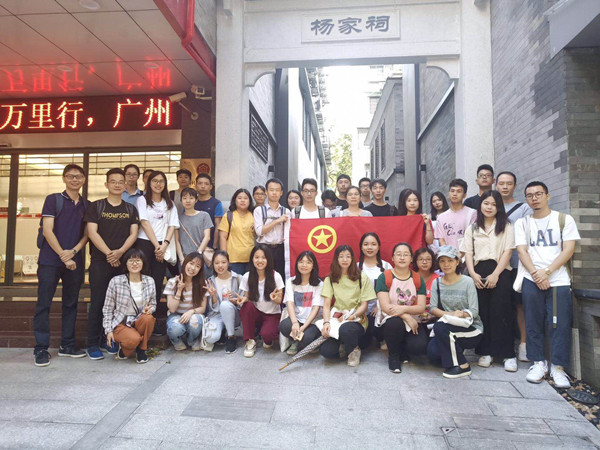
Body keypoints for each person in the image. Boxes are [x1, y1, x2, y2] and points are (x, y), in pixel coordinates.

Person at [515, 181, 580, 389]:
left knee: (559, 324)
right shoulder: (523, 223)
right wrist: (536, 274)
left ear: (547, 196)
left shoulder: (563, 219)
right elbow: (522, 251)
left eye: (538, 194)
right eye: (530, 195)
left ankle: (558, 367)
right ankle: (538, 363)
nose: (534, 198)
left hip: (558, 280)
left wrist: (548, 272)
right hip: (531, 279)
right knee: (533, 322)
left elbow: (568, 249)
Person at [33, 164, 89, 367]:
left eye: (78, 176)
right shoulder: (53, 199)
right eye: (70, 176)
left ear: (84, 179)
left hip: (75, 261)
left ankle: (67, 345)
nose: (75, 180)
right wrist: (64, 256)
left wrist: (73, 252)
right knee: (44, 303)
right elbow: (48, 230)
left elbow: (87, 234)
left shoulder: (87, 204)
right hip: (50, 260)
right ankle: (41, 348)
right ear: (64, 178)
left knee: (70, 303)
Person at [86, 168, 139, 360]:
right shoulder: (96, 206)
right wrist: (109, 253)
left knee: (119, 304)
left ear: (125, 185)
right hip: (100, 262)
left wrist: (120, 252)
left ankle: (108, 340)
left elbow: (134, 234)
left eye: (120, 181)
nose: (117, 185)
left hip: (122, 263)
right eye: (113, 181)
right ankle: (92, 343)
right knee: (98, 302)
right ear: (106, 184)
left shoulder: (130, 209)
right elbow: (92, 232)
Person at [461, 190, 517, 372]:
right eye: (486, 203)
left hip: (501, 271)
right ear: (480, 205)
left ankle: (508, 354)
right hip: (478, 272)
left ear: (499, 207)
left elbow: (508, 251)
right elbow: (468, 252)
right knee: (483, 313)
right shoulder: (473, 228)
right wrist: (472, 273)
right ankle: (485, 352)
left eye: (493, 204)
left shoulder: (506, 226)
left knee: (502, 312)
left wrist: (495, 274)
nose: (489, 207)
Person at [427, 245, 483, 378]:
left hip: (470, 328)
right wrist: (451, 314)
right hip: (447, 327)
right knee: (433, 354)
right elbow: (433, 308)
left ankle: (463, 365)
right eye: (442, 261)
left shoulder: (468, 282)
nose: (446, 264)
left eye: (450, 260)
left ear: (457, 262)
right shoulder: (437, 283)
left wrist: (462, 314)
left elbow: (474, 310)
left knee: (439, 326)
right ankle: (456, 350)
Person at [136, 170, 179, 332]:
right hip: (145, 244)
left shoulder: (170, 203)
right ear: (149, 183)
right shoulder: (142, 200)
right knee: (142, 281)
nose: (158, 184)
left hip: (163, 245)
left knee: (156, 281)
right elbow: (144, 223)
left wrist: (164, 244)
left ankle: (152, 320)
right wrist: (157, 246)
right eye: (155, 181)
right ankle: (139, 319)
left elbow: (172, 225)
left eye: (161, 181)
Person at [496, 171, 533, 362]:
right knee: (501, 306)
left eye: (509, 183)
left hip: (519, 264)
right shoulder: (491, 206)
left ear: (515, 186)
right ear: (496, 185)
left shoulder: (524, 208)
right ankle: (502, 346)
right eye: (501, 183)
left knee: (520, 305)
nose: (505, 187)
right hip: (498, 266)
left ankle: (523, 344)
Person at [320, 245, 376, 367]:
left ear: (352, 259)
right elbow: (326, 305)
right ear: (336, 259)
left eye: (348, 256)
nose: (344, 260)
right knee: (326, 351)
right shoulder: (330, 279)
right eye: (341, 256)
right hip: (337, 319)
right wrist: (326, 323)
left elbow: (364, 305)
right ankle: (344, 346)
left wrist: (352, 316)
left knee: (346, 330)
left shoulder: (362, 277)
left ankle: (354, 351)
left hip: (356, 318)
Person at [375, 243, 427, 373]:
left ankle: (402, 348)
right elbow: (385, 306)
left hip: (413, 320)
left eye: (406, 255)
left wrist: (404, 311)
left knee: (418, 347)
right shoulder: (385, 277)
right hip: (391, 319)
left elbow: (421, 307)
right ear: (393, 258)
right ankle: (393, 356)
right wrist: (405, 316)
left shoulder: (417, 278)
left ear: (411, 258)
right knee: (394, 323)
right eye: (398, 254)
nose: (402, 258)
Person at [103, 248, 156, 364]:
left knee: (148, 319)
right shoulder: (116, 281)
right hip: (121, 322)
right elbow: (107, 308)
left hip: (139, 319)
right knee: (134, 339)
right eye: (131, 261)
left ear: (143, 263)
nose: (134, 264)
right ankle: (125, 350)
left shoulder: (149, 281)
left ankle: (142, 350)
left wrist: (150, 309)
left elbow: (153, 304)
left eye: (138, 261)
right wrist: (108, 330)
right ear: (126, 263)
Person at [239, 244, 285, 357]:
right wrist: (243, 299)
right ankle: (250, 341)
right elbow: (247, 298)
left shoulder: (276, 276)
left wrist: (275, 298)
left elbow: (280, 301)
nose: (260, 260)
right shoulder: (247, 276)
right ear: (252, 259)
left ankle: (265, 336)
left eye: (263, 257)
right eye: (257, 257)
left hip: (272, 314)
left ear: (268, 259)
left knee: (268, 336)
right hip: (256, 313)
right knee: (246, 306)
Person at [279, 251, 324, 355]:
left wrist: (303, 327)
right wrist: (295, 323)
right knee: (284, 326)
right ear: (297, 264)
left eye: (308, 262)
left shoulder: (319, 284)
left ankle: (299, 342)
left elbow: (316, 309)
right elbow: (289, 303)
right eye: (301, 262)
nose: (304, 265)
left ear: (313, 266)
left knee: (307, 337)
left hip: (312, 322)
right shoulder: (291, 281)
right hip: (297, 319)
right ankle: (297, 341)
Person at [164, 252, 207, 351]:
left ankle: (192, 340)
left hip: (193, 314)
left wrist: (191, 312)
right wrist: (179, 290)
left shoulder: (202, 284)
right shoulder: (172, 282)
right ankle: (176, 340)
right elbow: (172, 309)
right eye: (191, 263)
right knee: (175, 328)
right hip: (176, 315)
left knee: (195, 321)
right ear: (185, 263)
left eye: (197, 266)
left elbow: (203, 308)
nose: (193, 268)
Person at [358, 232, 392, 349]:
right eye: (366, 244)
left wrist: (380, 306)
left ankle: (381, 339)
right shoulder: (356, 267)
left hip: (380, 310)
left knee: (375, 328)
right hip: (360, 311)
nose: (369, 247)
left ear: (378, 247)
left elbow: (392, 290)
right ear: (361, 247)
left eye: (373, 244)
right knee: (362, 343)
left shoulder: (386, 266)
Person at [205, 250, 244, 354]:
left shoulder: (238, 278)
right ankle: (222, 330)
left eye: (223, 262)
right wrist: (213, 296)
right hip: (217, 315)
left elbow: (243, 303)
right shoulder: (210, 281)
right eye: (217, 263)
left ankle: (231, 337)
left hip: (234, 315)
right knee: (210, 338)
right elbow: (213, 308)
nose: (220, 266)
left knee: (225, 305)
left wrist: (234, 301)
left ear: (228, 263)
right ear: (213, 264)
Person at [253, 178, 289, 280]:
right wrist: (277, 221)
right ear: (266, 192)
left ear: (281, 193)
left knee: (280, 278)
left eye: (277, 190)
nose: (274, 193)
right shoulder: (259, 210)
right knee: (263, 277)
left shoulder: (286, 211)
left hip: (280, 249)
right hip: (263, 249)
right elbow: (259, 231)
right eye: (271, 190)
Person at [218, 188, 255, 275]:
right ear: (234, 200)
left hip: (251, 258)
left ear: (250, 201)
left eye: (245, 198)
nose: (242, 200)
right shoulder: (228, 215)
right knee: (234, 282)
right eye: (239, 198)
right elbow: (222, 237)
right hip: (233, 259)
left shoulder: (254, 215)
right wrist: (224, 257)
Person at [435, 179, 476, 248]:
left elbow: (472, 237)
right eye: (452, 191)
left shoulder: (472, 213)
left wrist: (461, 254)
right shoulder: (441, 217)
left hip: (466, 253)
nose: (454, 194)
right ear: (449, 193)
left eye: (459, 191)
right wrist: (449, 254)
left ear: (464, 195)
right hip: (447, 253)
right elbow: (441, 240)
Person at [175, 187, 212, 262]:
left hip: (201, 256)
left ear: (196, 200)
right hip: (185, 258)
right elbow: (176, 240)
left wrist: (198, 254)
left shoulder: (204, 215)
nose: (188, 201)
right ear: (181, 200)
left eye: (191, 198)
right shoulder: (177, 218)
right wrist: (181, 259)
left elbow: (207, 237)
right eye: (185, 198)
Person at [194, 173, 223, 250]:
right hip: (193, 244)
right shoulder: (192, 202)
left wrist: (215, 246)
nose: (203, 186)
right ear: (195, 185)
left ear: (211, 187)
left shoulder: (216, 203)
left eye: (206, 184)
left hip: (210, 246)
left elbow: (218, 226)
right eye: (200, 183)